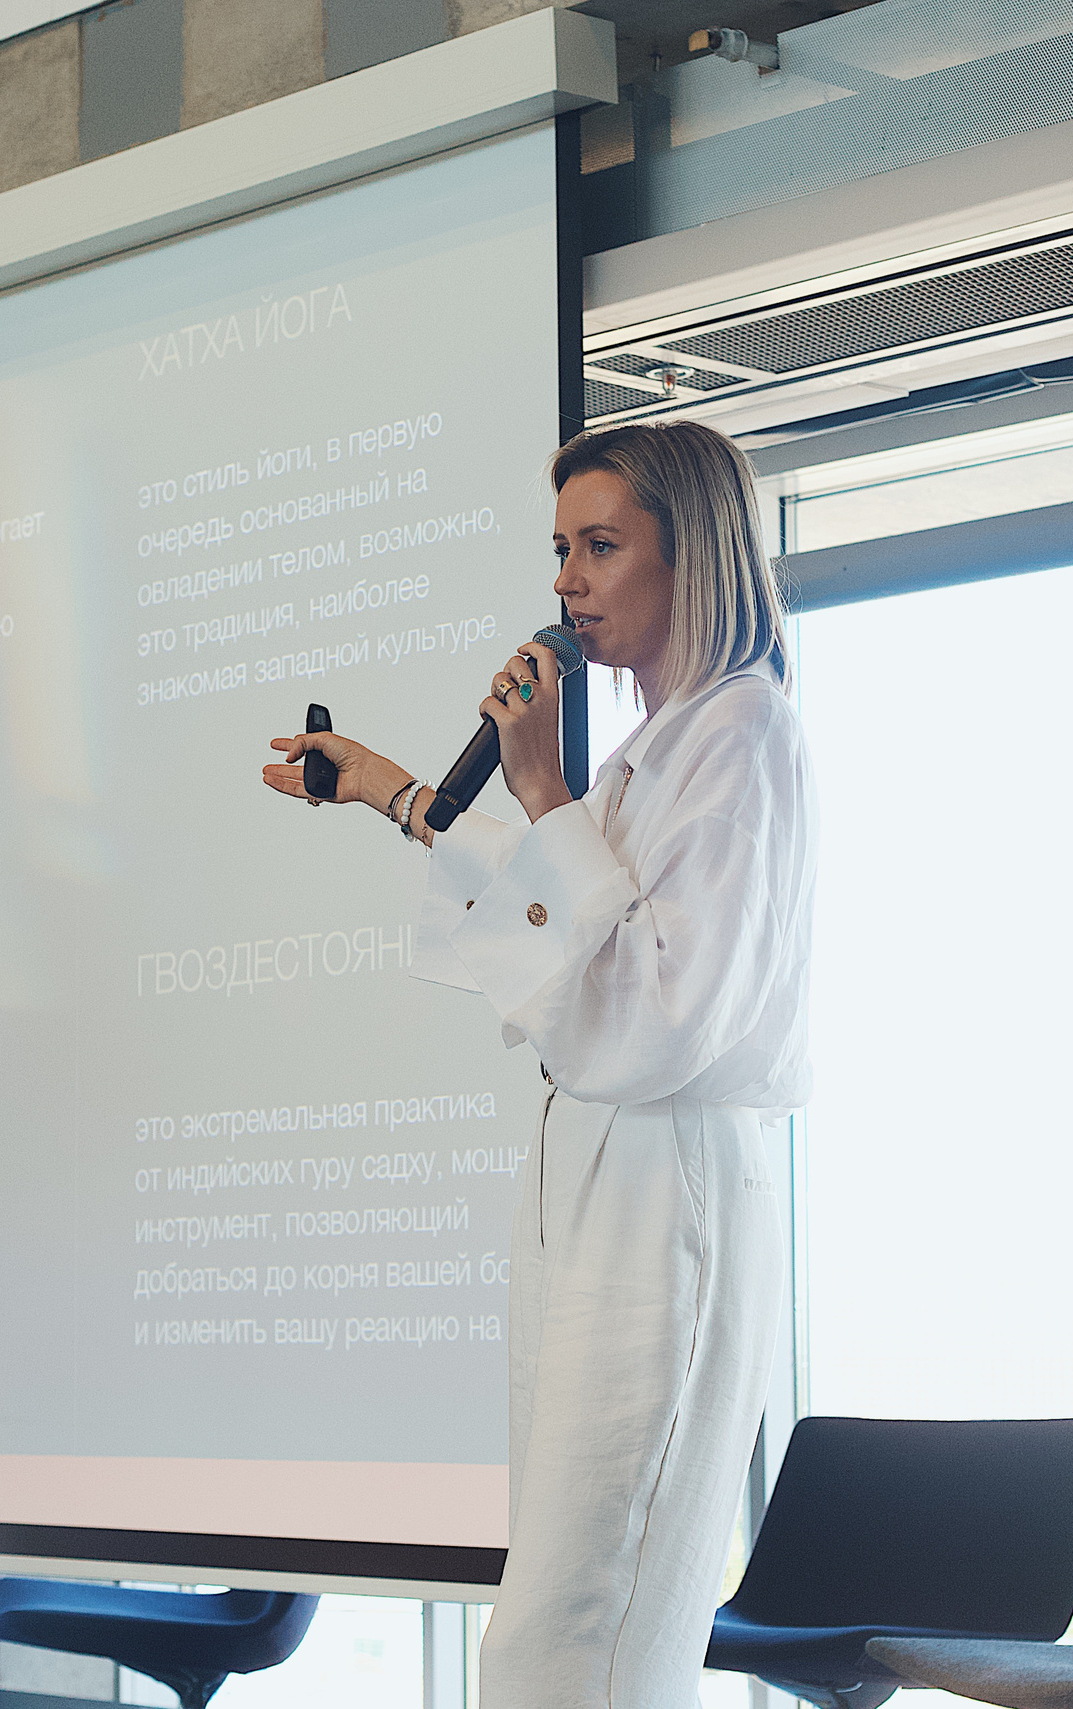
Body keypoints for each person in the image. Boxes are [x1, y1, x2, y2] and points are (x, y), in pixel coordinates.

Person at [262, 420, 815, 1708]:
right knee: (562, 1585)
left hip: (663, 1161)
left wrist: (541, 784)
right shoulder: (655, 747)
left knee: (584, 1610)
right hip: (592, 1156)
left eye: (600, 546)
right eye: (560, 549)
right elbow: (554, 921)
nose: (566, 582)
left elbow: (665, 1002)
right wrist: (394, 791)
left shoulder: (741, 732)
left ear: (694, 553)